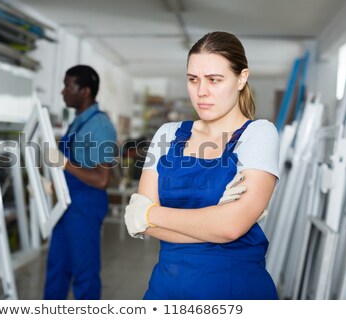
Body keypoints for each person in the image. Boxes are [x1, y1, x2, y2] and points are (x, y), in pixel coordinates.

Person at [124, 31, 280, 299]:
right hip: (166, 290)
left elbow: (230, 227)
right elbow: (139, 224)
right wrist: (215, 221)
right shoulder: (167, 134)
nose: (201, 92)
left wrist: (150, 213)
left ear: (242, 78)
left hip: (234, 291)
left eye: (214, 80)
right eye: (193, 79)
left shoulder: (259, 134)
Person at [43, 65, 117, 299]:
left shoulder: (100, 126)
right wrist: (56, 183)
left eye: (68, 86)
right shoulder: (78, 122)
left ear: (85, 91)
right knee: (57, 269)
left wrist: (64, 164)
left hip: (85, 205)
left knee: (84, 273)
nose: (63, 91)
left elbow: (102, 179)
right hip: (67, 204)